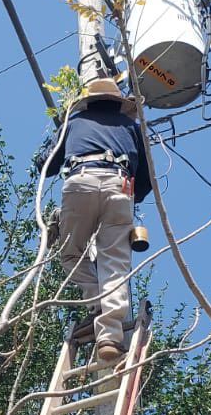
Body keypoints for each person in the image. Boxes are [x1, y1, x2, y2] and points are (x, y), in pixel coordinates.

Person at [46, 76, 151, 364]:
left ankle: (97, 304)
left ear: (89, 102)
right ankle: (110, 336)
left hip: (81, 179)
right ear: (118, 103)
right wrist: (132, 199)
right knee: (114, 262)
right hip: (120, 185)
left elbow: (47, 164)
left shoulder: (75, 122)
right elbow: (145, 178)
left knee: (71, 253)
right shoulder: (132, 127)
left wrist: (56, 140)